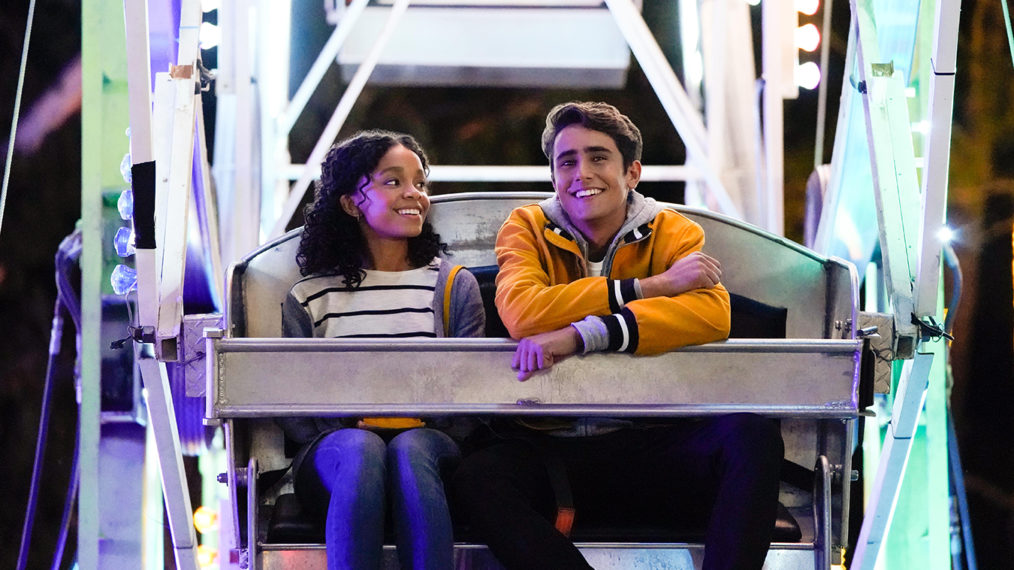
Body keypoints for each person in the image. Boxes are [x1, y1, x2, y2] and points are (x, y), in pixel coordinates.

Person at [452, 102, 784, 570]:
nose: (581, 172)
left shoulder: (672, 230)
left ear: (632, 172)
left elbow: (713, 314)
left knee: (751, 438)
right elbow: (523, 313)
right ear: (553, 177)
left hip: (650, 437)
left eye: (598, 157)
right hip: (549, 446)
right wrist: (651, 289)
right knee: (477, 478)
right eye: (567, 161)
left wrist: (585, 334)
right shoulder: (526, 226)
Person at [279, 130, 485, 570]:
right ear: (352, 203)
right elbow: (295, 414)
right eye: (393, 182)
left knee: (410, 449)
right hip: (337, 462)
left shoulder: (451, 286)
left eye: (420, 183)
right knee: (360, 449)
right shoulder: (310, 297)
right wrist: (360, 424)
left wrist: (412, 420)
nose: (415, 194)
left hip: (430, 450)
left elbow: (472, 403)